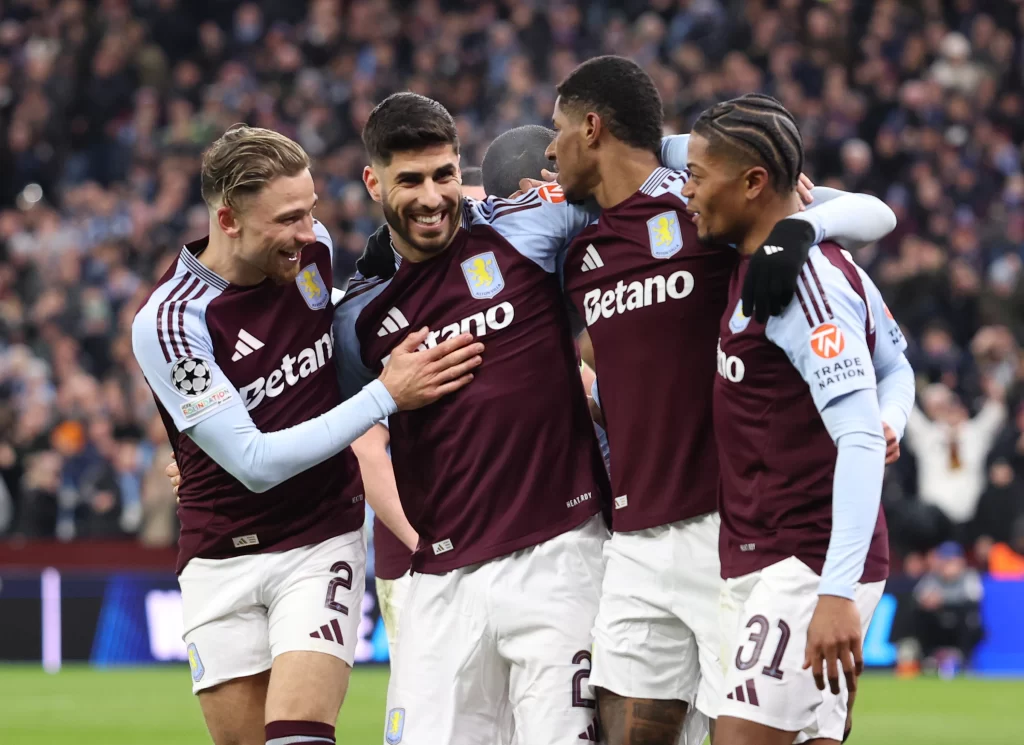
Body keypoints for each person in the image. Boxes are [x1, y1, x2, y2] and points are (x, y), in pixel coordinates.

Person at [543, 57, 901, 745]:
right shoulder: (574, 242)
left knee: (758, 732)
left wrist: (803, 230)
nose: (547, 147)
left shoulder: (704, 204)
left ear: (593, 127)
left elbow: (874, 212)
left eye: (558, 130)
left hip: (729, 529)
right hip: (635, 532)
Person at [131, 124, 483, 745]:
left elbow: (334, 343)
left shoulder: (311, 254)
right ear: (229, 219)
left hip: (320, 535)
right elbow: (254, 461)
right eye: (288, 219)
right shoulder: (170, 320)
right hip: (220, 553)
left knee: (299, 736)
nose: (309, 232)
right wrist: (385, 395)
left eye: (311, 210)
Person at [683, 93, 916, 745]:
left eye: (700, 179)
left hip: (807, 560)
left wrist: (836, 591)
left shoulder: (806, 284)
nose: (689, 192)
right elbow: (897, 367)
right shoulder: (774, 249)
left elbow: (862, 431)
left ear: (754, 183)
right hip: (765, 550)